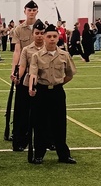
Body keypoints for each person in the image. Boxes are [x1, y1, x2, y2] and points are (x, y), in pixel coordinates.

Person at [28, 24, 76, 165]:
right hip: (41, 92)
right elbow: (33, 74)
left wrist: (58, 83)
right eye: (49, 36)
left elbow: (69, 74)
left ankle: (63, 155)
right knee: (40, 124)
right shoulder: (37, 56)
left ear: (58, 37)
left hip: (57, 92)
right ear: (43, 37)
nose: (52, 39)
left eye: (54, 36)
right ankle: (39, 154)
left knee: (59, 124)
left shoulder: (64, 55)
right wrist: (31, 87)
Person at [9, 0, 39, 151]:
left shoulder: (43, 28)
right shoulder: (18, 30)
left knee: (42, 108)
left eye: (34, 10)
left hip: (41, 71)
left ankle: (45, 139)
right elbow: (17, 51)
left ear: (37, 11)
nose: (31, 12)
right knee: (21, 107)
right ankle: (20, 138)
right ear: (25, 11)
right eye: (29, 10)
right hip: (24, 71)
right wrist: (15, 72)